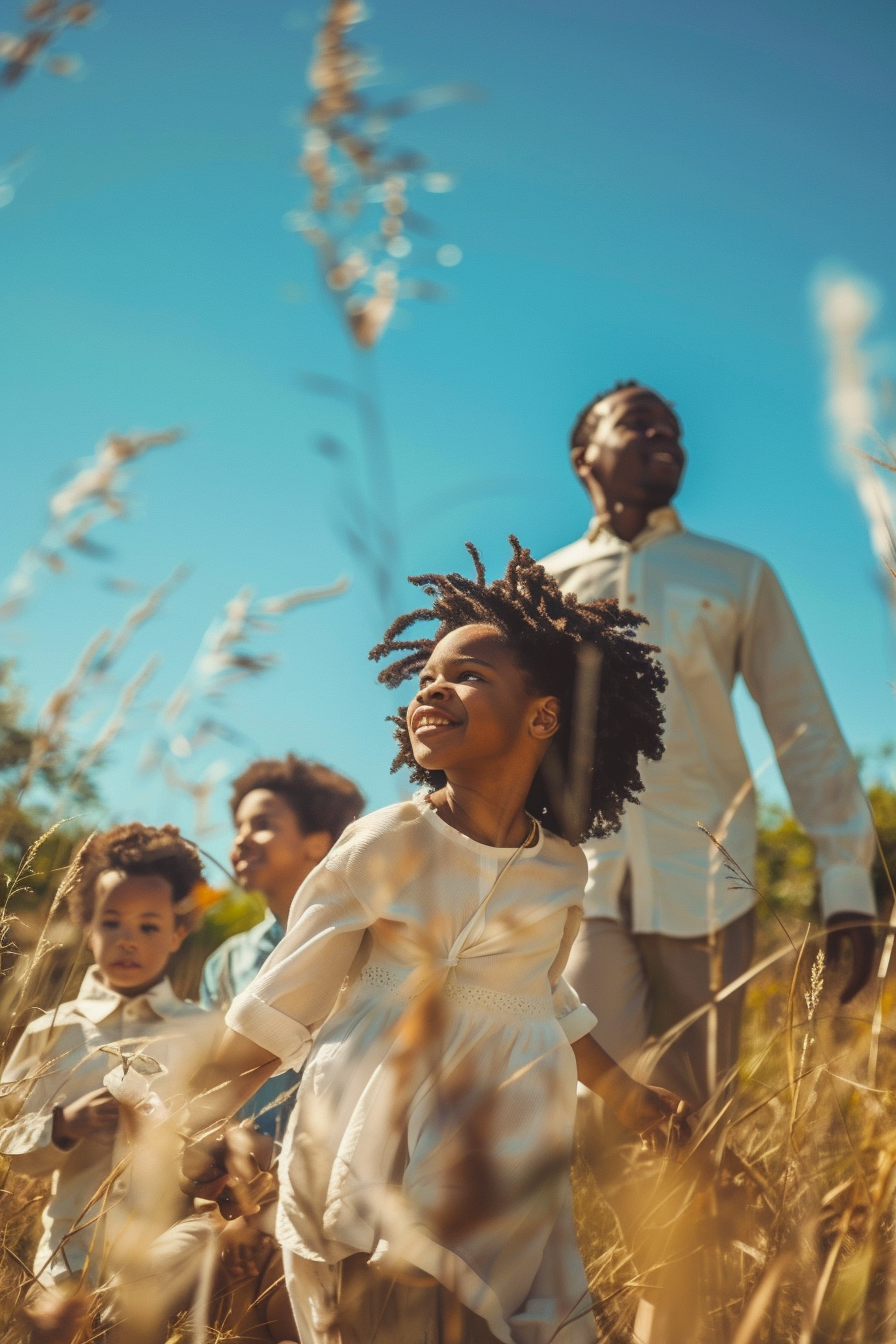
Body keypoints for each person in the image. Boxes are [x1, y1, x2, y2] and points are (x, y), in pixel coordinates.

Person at [180, 537, 688, 1344]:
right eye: (424, 679)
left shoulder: (560, 869)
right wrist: (192, 1119)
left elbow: (543, 996)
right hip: (364, 1121)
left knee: (475, 1323)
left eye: (466, 676)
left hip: (502, 1139)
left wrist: (625, 1093)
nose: (431, 692)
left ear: (543, 715)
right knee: (379, 1319)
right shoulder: (386, 843)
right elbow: (282, 1002)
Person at [541, 380, 877, 1108]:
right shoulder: (543, 585)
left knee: (702, 1108)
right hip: (577, 875)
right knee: (589, 1103)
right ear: (583, 457)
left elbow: (805, 725)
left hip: (709, 876)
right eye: (638, 423)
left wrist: (846, 881)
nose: (666, 437)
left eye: (674, 428)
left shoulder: (737, 575)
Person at [0, 824, 219, 1336]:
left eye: (148, 926)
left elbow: (216, 1143)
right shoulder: (51, 1029)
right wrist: (62, 1125)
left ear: (178, 932)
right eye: (111, 922)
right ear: (87, 926)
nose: (127, 939)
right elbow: (8, 1139)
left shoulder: (204, 1031)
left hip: (162, 1260)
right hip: (64, 1256)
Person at [200, 754, 365, 1138]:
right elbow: (209, 1075)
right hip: (241, 1180)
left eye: (262, 825)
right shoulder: (224, 963)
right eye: (238, 826)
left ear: (317, 843)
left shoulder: (366, 943)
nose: (240, 838)